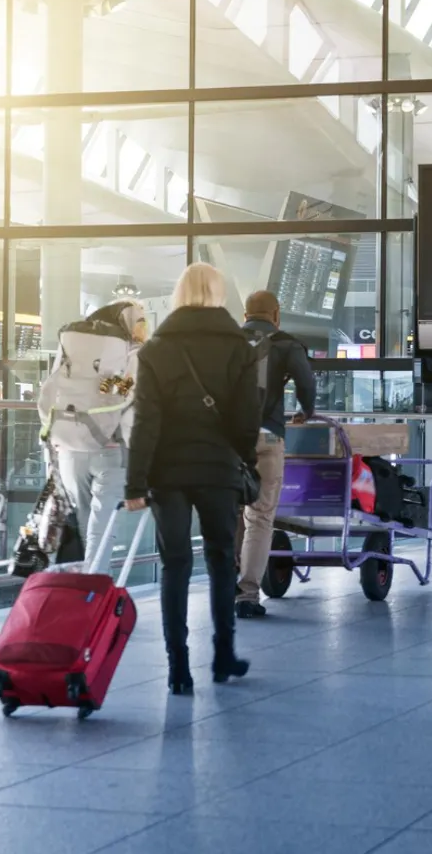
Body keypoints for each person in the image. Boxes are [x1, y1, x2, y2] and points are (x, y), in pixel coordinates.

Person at [125, 263, 262, 693]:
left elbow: (145, 420)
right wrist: (242, 457)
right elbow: (246, 417)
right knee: (222, 560)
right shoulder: (240, 347)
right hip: (219, 468)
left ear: (179, 294)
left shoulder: (157, 349)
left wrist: (135, 482)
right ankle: (223, 656)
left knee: (175, 565)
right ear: (220, 293)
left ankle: (178, 668)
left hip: (168, 472)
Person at [38, 299, 147, 572]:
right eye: (141, 321)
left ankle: (90, 587)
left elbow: (49, 391)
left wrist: (50, 436)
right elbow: (134, 400)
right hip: (110, 448)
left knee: (88, 524)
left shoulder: (75, 346)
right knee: (102, 528)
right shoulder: (131, 354)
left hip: (69, 447)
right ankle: (96, 590)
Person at [234, 290, 317, 619]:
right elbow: (306, 384)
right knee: (260, 515)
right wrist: (304, 411)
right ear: (276, 315)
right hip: (267, 435)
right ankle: (248, 596)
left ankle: (226, 585)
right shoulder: (287, 343)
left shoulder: (227, 343)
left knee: (230, 512)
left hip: (228, 440)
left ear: (245, 315)